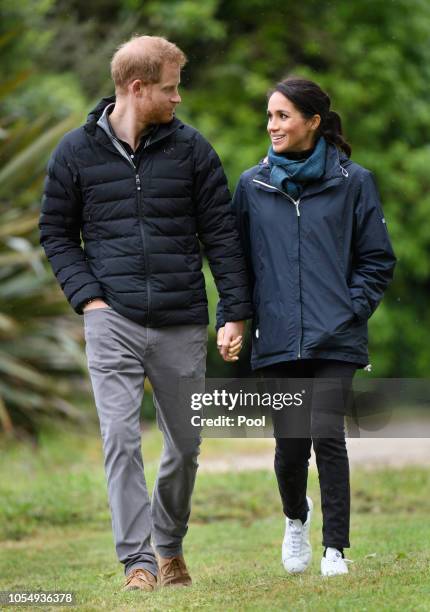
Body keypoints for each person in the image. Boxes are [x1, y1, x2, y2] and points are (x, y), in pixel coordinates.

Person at [39, 35, 252, 592]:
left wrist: (233, 310)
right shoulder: (75, 152)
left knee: (185, 443)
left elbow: (222, 237)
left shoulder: (193, 150)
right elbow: (56, 234)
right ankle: (137, 561)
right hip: (112, 317)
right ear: (138, 88)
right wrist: (89, 297)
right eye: (171, 87)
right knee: (120, 438)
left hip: (181, 318)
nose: (178, 98)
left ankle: (170, 546)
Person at [217, 77, 396, 576]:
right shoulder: (252, 186)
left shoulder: (352, 181)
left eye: (283, 116)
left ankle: (335, 548)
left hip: (336, 336)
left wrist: (349, 309)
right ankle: (297, 518)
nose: (272, 125)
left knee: (327, 434)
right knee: (290, 448)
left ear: (313, 122)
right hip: (276, 338)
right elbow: (237, 265)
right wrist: (231, 320)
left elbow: (377, 260)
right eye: (270, 116)